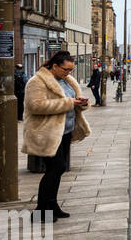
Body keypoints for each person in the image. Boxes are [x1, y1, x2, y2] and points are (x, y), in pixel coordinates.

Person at [22, 50, 90, 220]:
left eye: (71, 70)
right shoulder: (37, 81)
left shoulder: (66, 81)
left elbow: (74, 99)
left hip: (64, 132)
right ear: (54, 66)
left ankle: (52, 206)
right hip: (46, 133)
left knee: (58, 169)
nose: (69, 73)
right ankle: (40, 210)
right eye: (66, 69)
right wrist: (68, 103)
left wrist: (81, 103)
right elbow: (35, 106)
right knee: (56, 167)